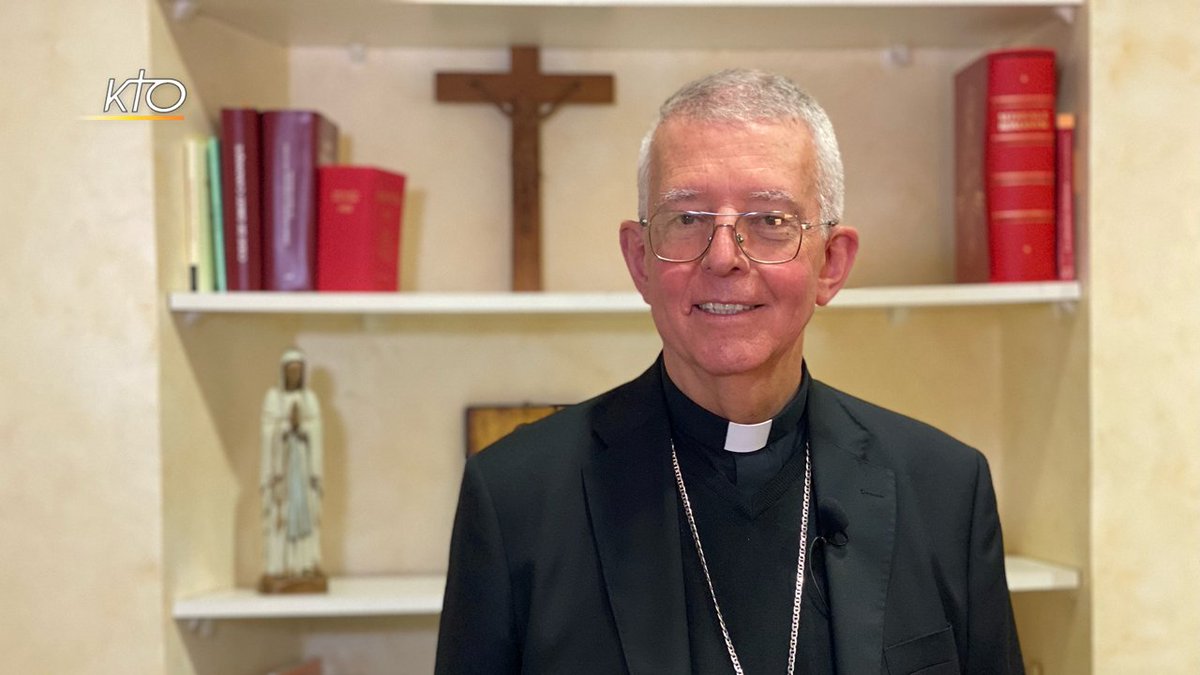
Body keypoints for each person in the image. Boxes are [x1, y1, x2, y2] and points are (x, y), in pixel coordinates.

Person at [436, 69, 1022, 674]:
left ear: (831, 264)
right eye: (686, 219)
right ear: (640, 261)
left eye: (770, 221)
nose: (723, 258)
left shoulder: (947, 490)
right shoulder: (514, 499)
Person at [259, 348, 325, 592]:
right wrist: (285, 429)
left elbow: (316, 430)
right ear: (283, 374)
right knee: (281, 517)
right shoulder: (273, 399)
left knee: (306, 514)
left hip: (304, 470)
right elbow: (268, 432)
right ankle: (280, 565)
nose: (295, 377)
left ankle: (305, 563)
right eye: (291, 372)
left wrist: (304, 429)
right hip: (283, 471)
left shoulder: (310, 400)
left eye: (299, 372)